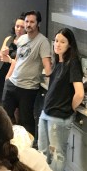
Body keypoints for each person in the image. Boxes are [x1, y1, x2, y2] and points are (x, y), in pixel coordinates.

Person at [37, 28, 84, 171]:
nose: (57, 44)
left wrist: (70, 108)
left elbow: (80, 93)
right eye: (56, 41)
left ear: (70, 45)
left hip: (59, 117)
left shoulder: (73, 63)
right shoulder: (59, 62)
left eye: (62, 42)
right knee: (42, 151)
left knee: (57, 154)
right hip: (46, 113)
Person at [3, 11, 52, 142]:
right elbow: (17, 60)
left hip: (28, 89)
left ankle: (28, 150)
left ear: (38, 24)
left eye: (32, 22)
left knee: (26, 122)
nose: (28, 24)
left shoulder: (43, 42)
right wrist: (8, 77)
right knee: (4, 118)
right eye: (27, 21)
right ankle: (6, 146)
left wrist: (52, 82)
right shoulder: (22, 39)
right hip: (12, 84)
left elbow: (47, 66)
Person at [0, 16, 25, 102]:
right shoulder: (8, 39)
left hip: (16, 74)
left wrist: (10, 60)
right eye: (17, 26)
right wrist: (3, 53)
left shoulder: (26, 43)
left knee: (9, 101)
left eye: (22, 27)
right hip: (4, 71)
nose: (19, 29)